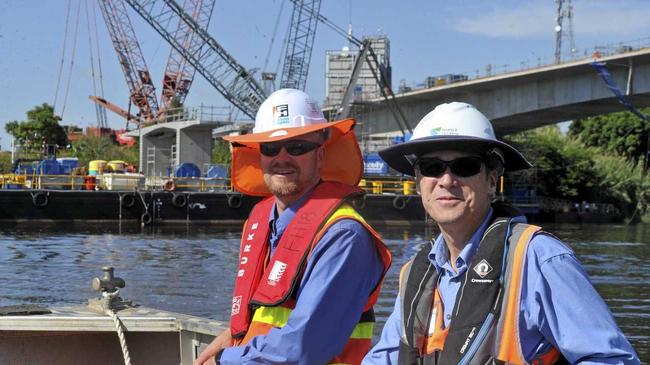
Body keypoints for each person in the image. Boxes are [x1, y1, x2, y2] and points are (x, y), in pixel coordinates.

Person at [363, 102, 639, 364]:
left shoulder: (539, 260)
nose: (446, 181)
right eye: (432, 168)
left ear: (492, 181)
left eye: (465, 167)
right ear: (419, 181)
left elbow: (612, 360)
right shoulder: (416, 274)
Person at [195, 88, 392, 365]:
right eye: (271, 148)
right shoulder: (262, 222)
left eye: (298, 147)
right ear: (259, 155)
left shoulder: (343, 236)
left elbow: (305, 347)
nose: (282, 157)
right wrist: (233, 336)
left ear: (320, 156)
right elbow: (267, 315)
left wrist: (225, 359)